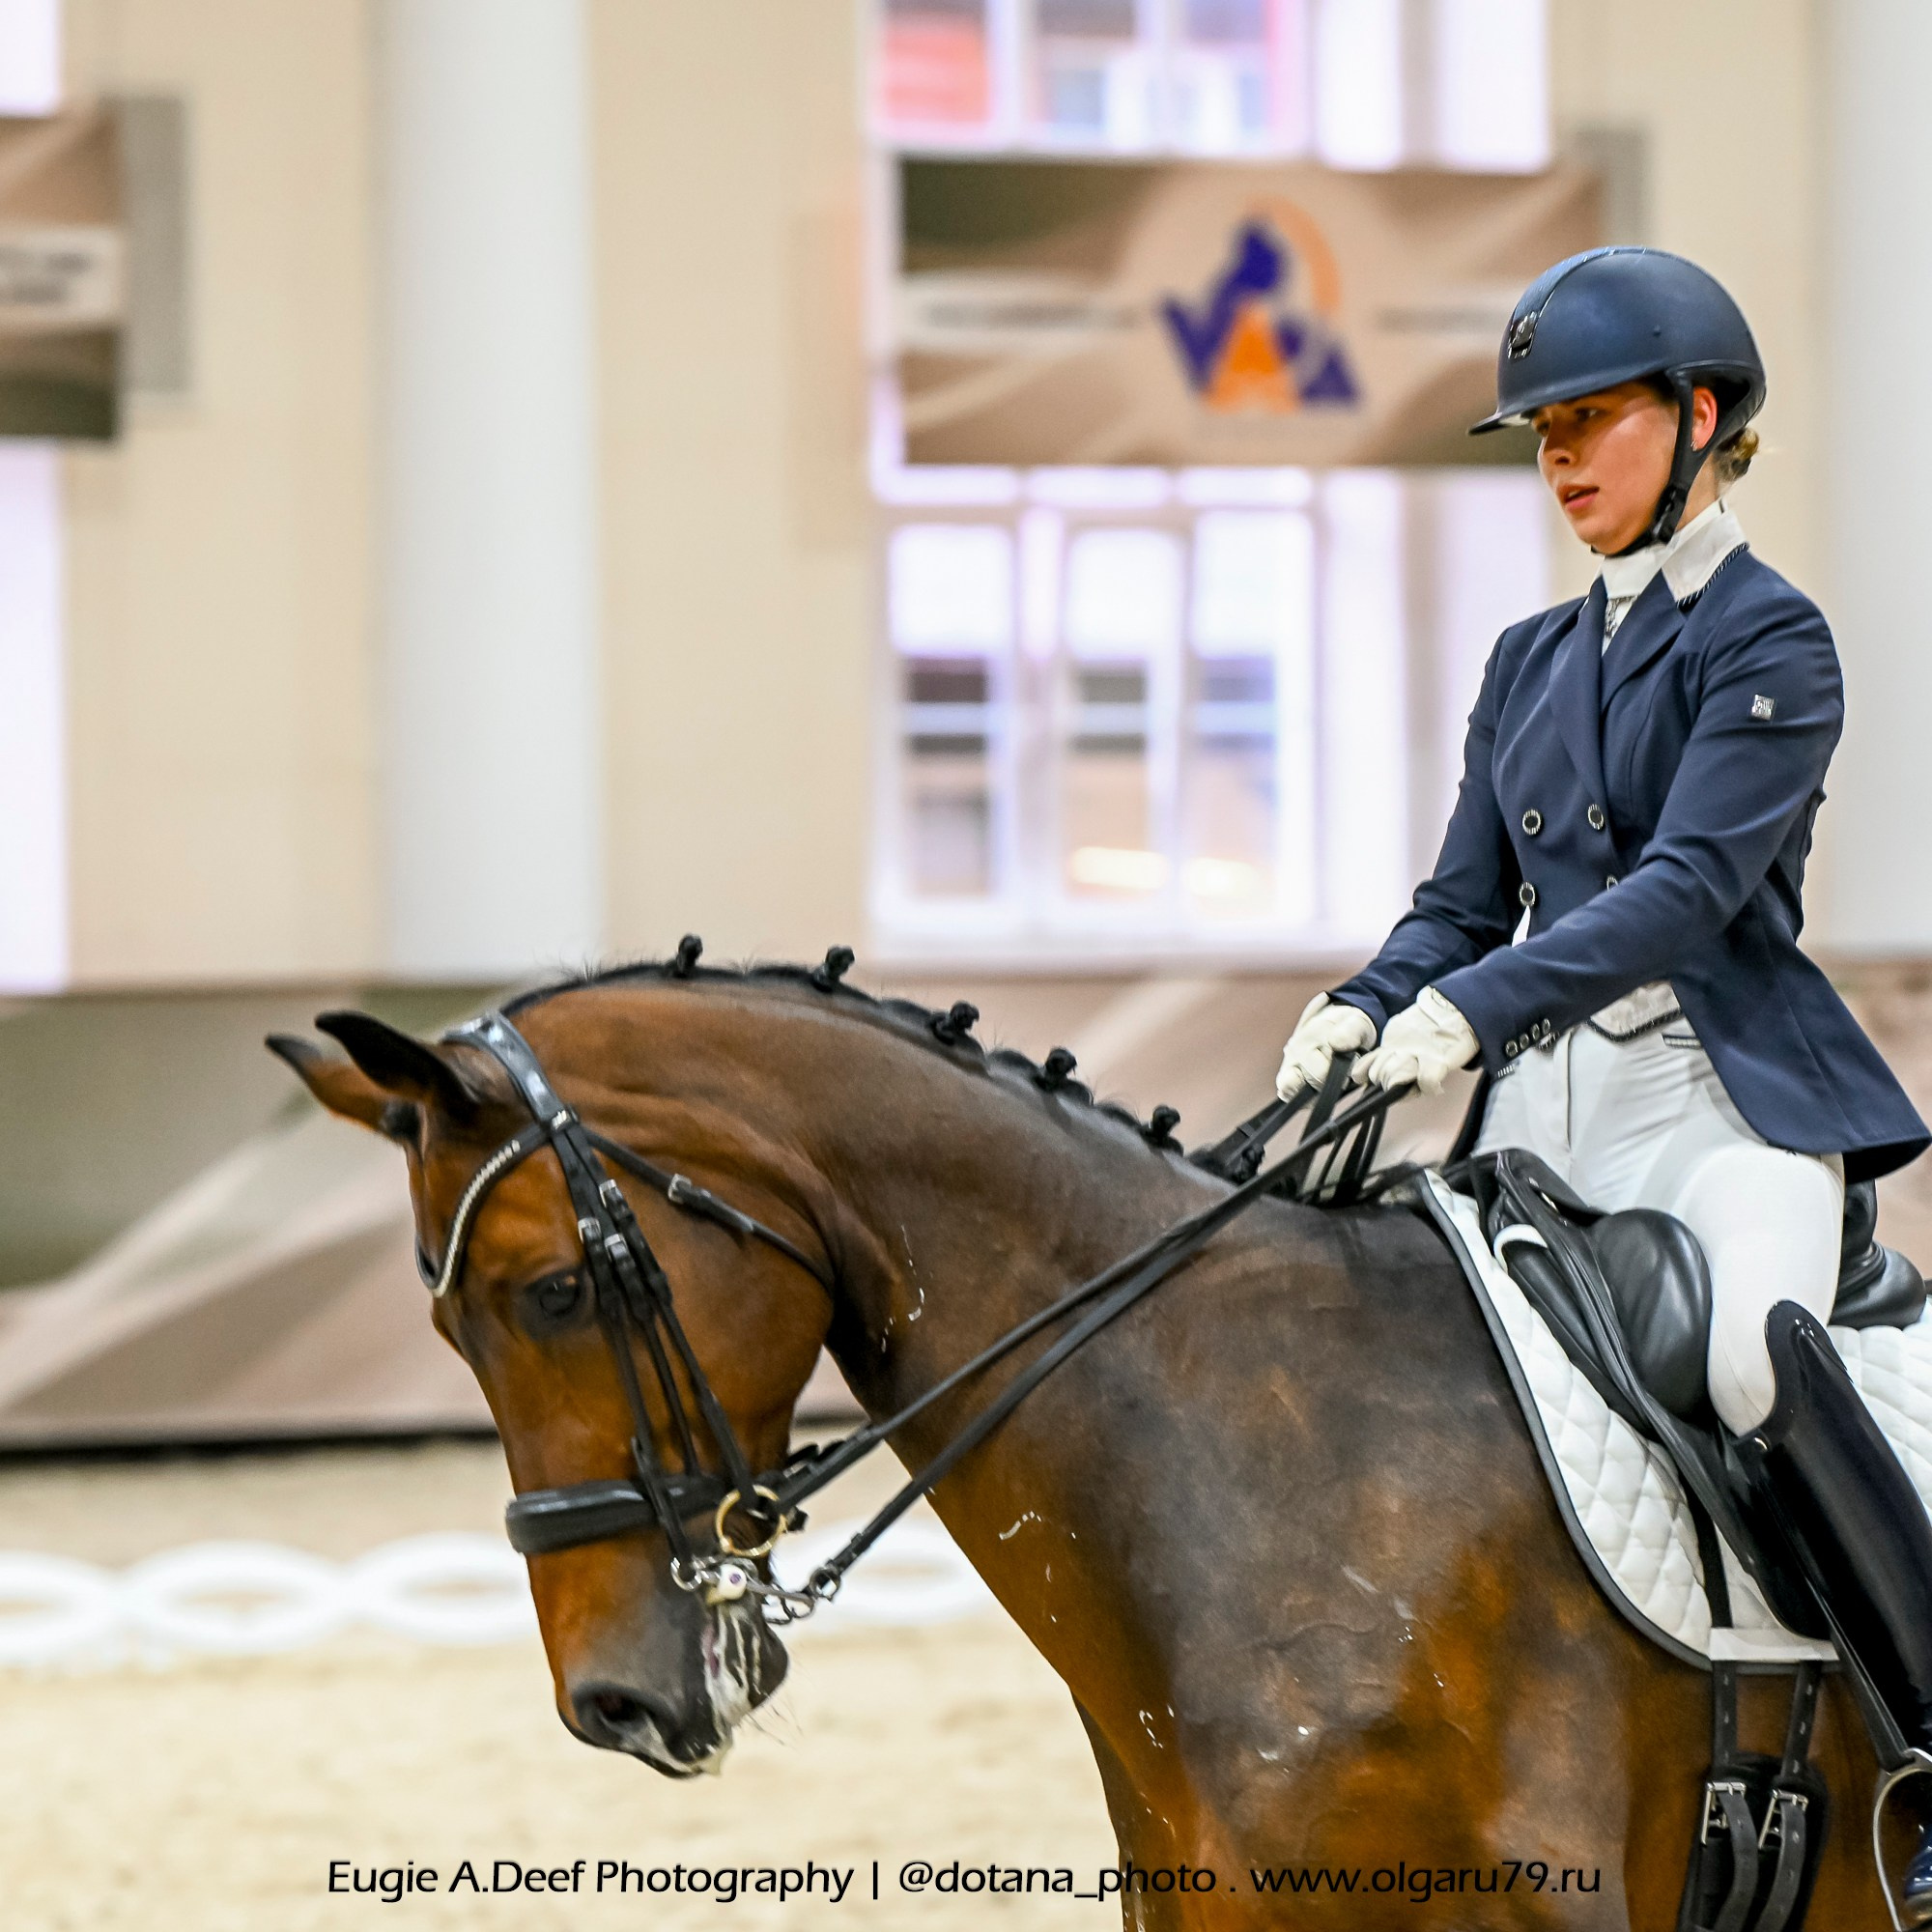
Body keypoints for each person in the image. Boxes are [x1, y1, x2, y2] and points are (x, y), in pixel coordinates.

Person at [1276, 245, 1932, 1910]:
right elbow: (1455, 903)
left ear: (1700, 419)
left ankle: (1930, 1745)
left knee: (1751, 1365)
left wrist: (1470, 1015)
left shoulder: (1772, 638)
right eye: (1543, 433)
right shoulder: (1524, 662)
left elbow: (1686, 895)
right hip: (1544, 1123)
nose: (1560, 460)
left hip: (1723, 1110)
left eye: (1591, 421)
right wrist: (1364, 1008)